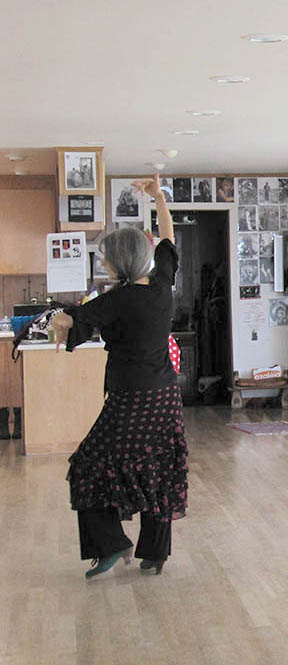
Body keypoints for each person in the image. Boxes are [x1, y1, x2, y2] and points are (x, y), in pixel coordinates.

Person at [52, 173, 186, 579]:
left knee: (87, 464)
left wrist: (58, 320)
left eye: (106, 257)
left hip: (131, 398)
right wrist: (159, 196)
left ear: (121, 261)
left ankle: (109, 544)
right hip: (164, 396)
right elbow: (168, 237)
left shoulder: (117, 300)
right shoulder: (162, 284)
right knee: (158, 468)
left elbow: (69, 320)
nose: (104, 264)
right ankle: (154, 554)